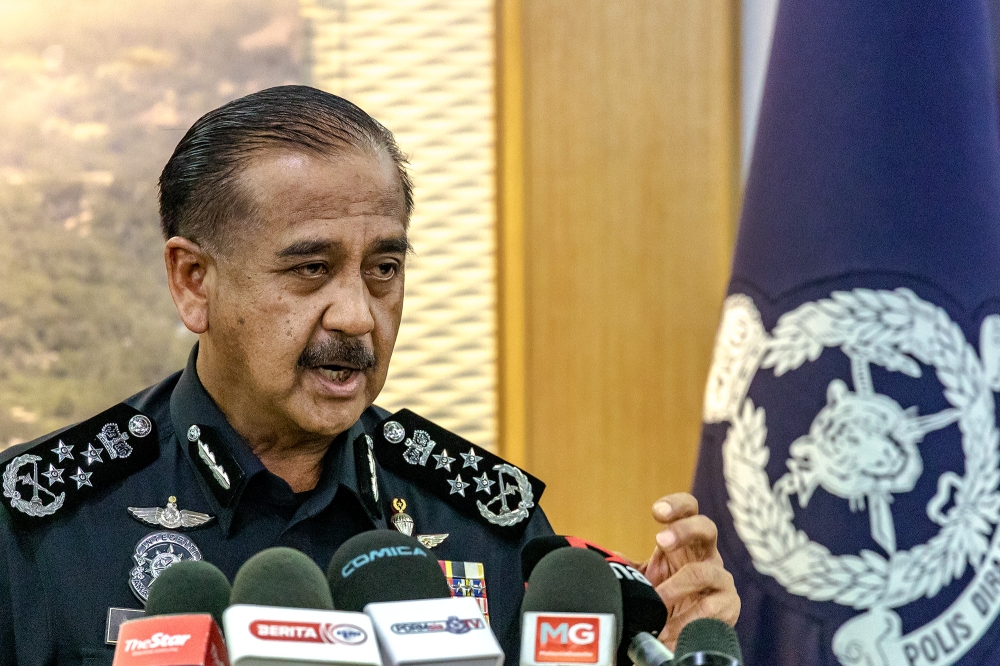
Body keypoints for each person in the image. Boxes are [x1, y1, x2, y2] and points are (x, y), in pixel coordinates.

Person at [0, 86, 739, 666]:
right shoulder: (41, 527)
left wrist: (662, 647)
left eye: (384, 269)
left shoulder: (485, 525)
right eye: (311, 269)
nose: (356, 316)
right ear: (194, 280)